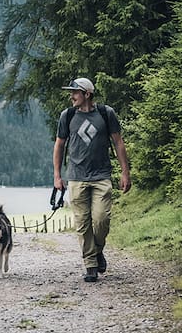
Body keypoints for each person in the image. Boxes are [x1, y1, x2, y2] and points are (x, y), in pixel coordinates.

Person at [52, 77, 131, 282]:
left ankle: (97, 251)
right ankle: (90, 265)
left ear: (87, 94)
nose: (71, 97)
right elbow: (59, 145)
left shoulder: (106, 113)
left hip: (101, 176)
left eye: (75, 93)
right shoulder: (67, 116)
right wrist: (57, 176)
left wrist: (125, 172)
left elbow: (118, 143)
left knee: (101, 220)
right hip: (76, 177)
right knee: (82, 223)